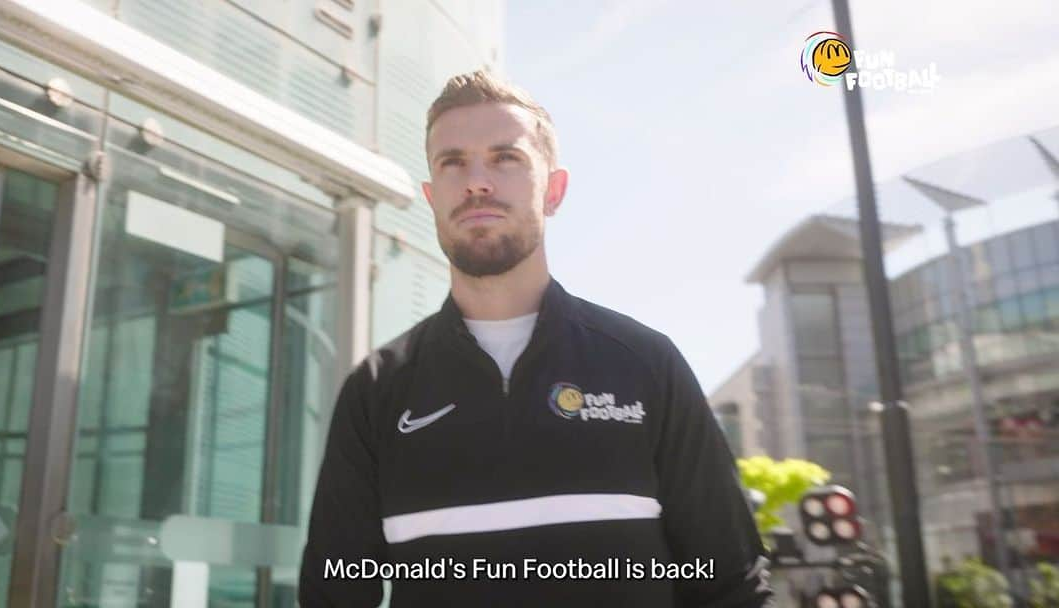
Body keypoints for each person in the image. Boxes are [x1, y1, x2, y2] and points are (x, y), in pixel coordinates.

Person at [298, 70, 775, 607]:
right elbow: (333, 594)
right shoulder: (379, 389)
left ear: (554, 191)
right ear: (432, 196)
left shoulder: (645, 365)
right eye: (453, 162)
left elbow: (730, 584)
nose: (477, 181)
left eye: (506, 158)